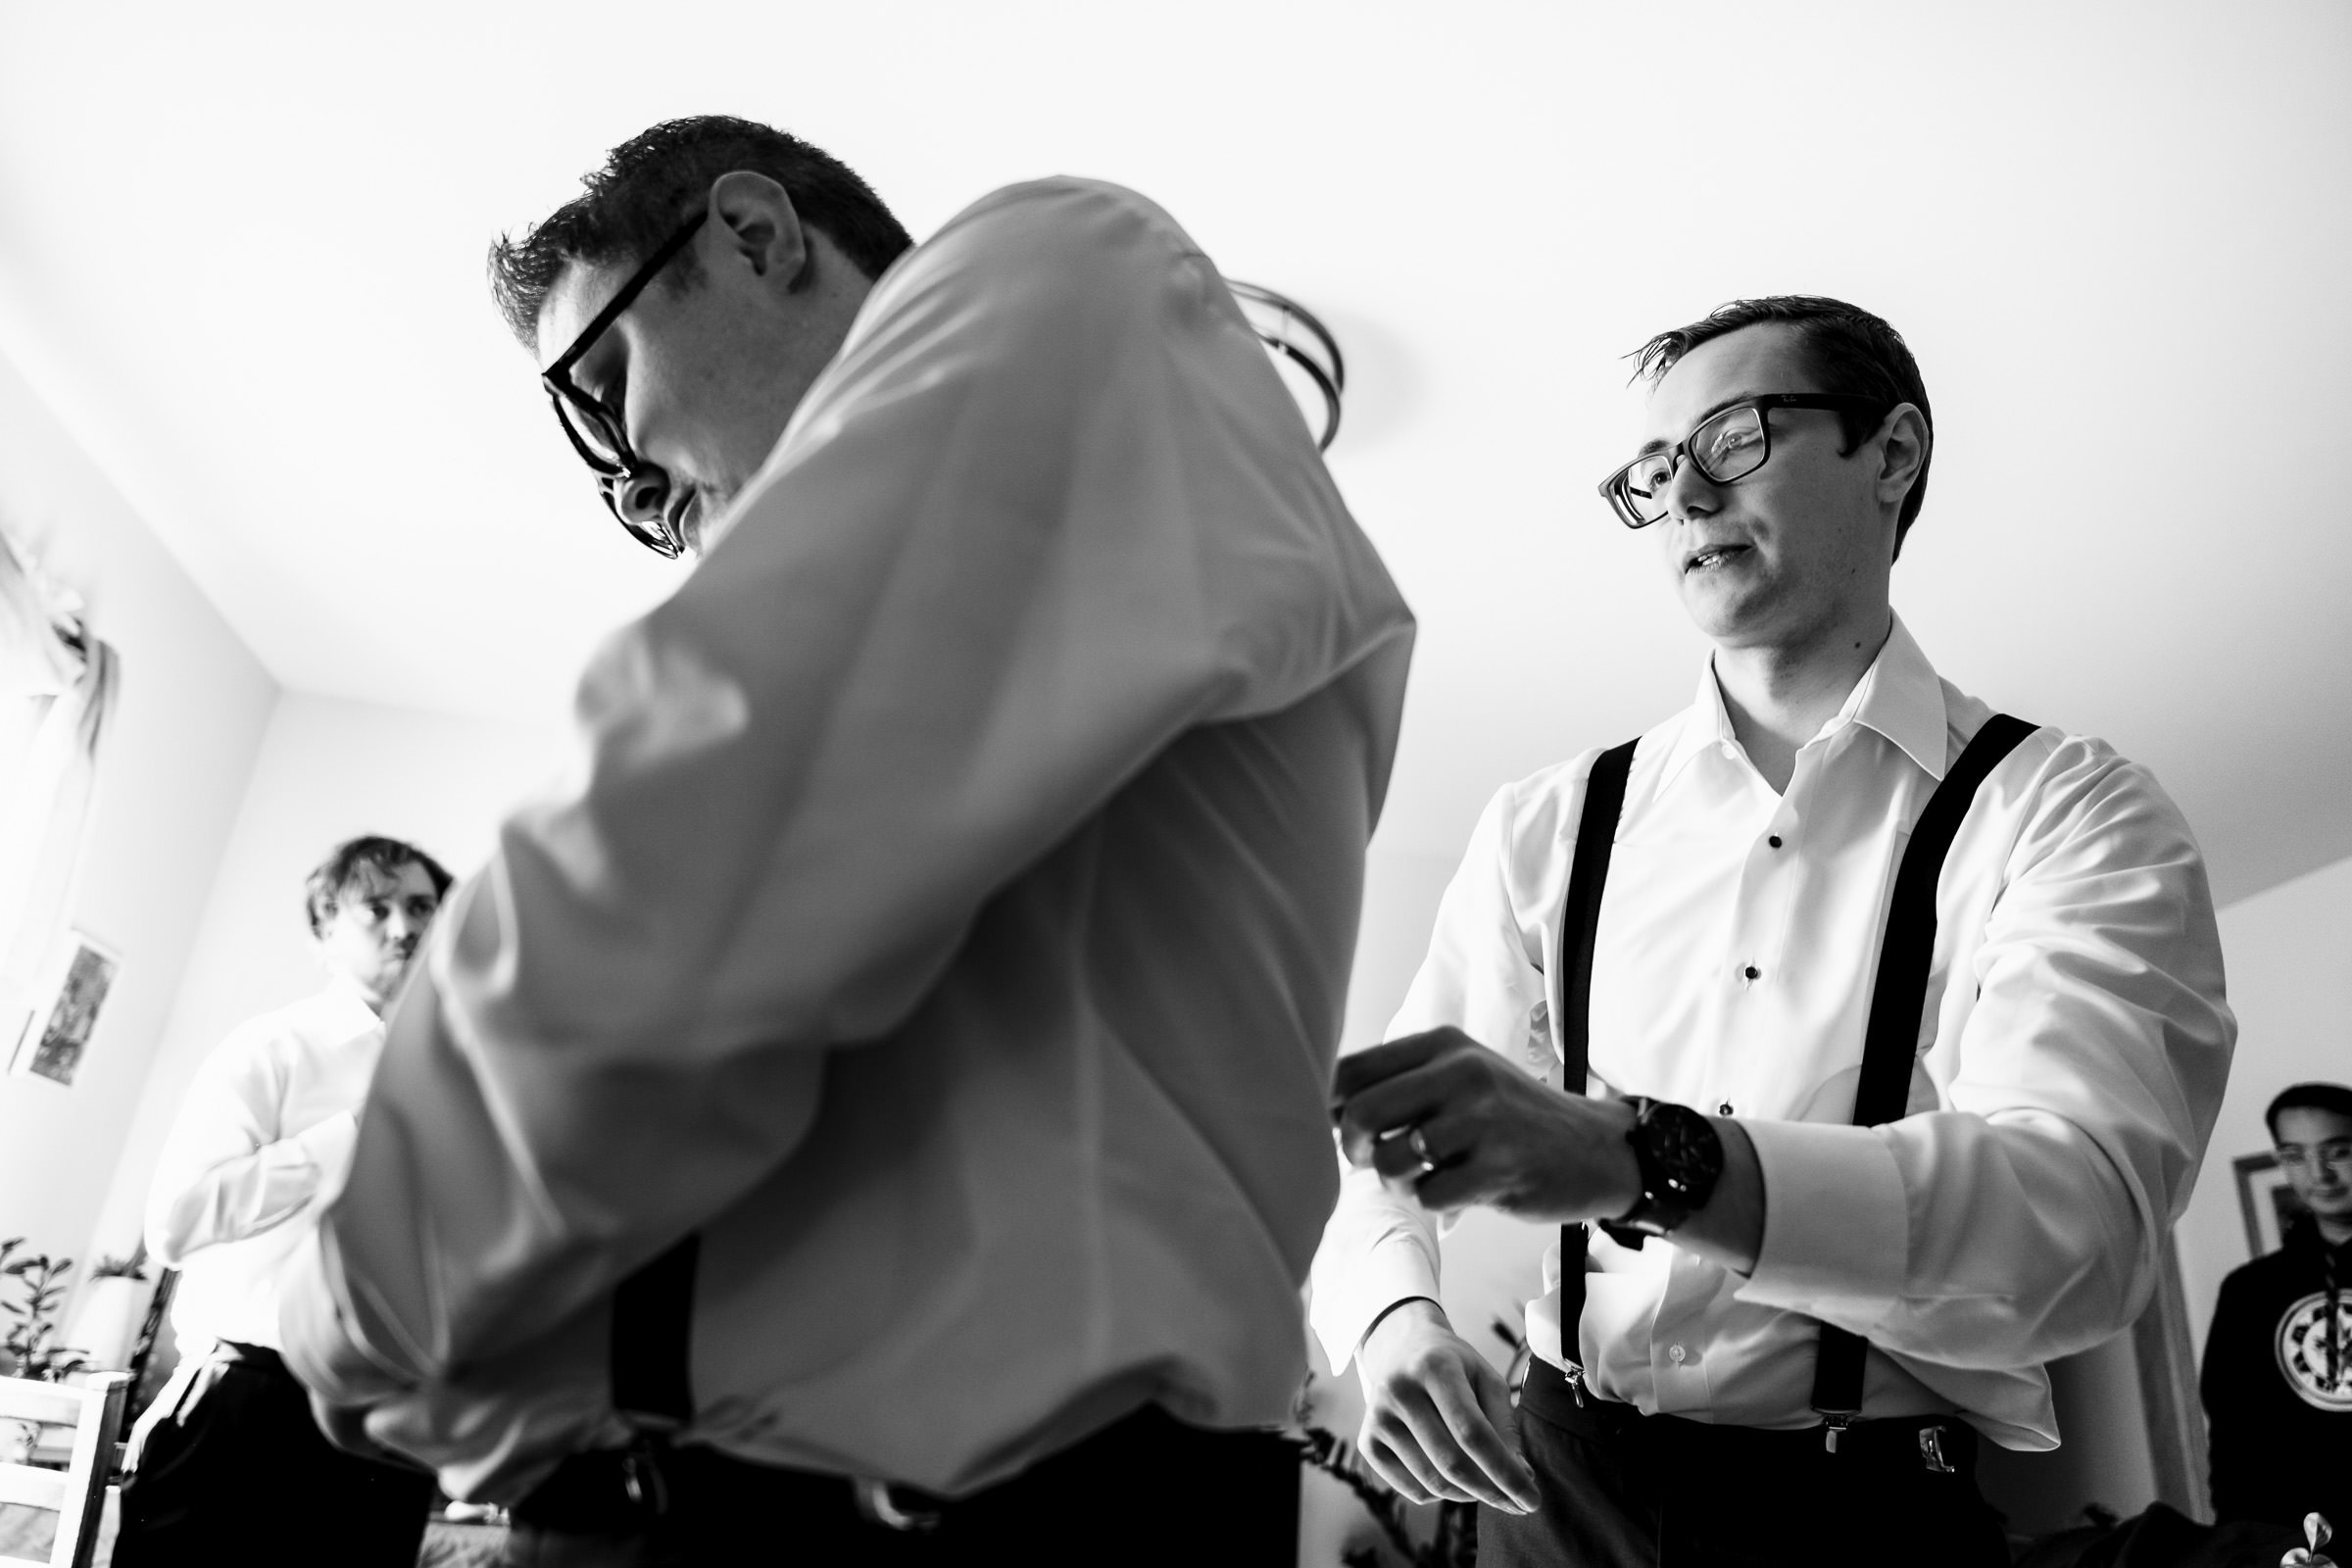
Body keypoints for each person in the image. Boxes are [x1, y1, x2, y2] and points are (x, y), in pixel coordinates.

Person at [275, 116, 1414, 1565]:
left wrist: (365, 1299)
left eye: (602, 387)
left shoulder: (1064, 264)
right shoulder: (1017, 696)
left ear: (755, 235)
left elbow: (679, 860)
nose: (628, 479)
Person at [1311, 296, 2236, 1566]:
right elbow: (1382, 1150)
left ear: (1893, 452)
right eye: (1651, 470)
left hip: (1866, 1520)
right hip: (1555, 1496)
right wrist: (1395, 1318)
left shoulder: (2066, 812)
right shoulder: (1547, 825)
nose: (1683, 494)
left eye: (1734, 436)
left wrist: (1646, 1161)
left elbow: (2073, 1234)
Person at [117, 835, 450, 1568]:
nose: (405, 927)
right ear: (326, 928)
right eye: (378, 907)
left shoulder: (466, 1076)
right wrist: (353, 1136)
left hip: (394, 1418)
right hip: (248, 1403)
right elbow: (175, 1225)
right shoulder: (269, 1050)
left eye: (423, 907)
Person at [2202, 1080, 2351, 1531]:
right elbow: (2233, 1437)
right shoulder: (2250, 1291)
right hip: (2299, 1542)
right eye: (2294, 1155)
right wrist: (2243, 1543)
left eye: (2339, 1151)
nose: (2319, 1174)